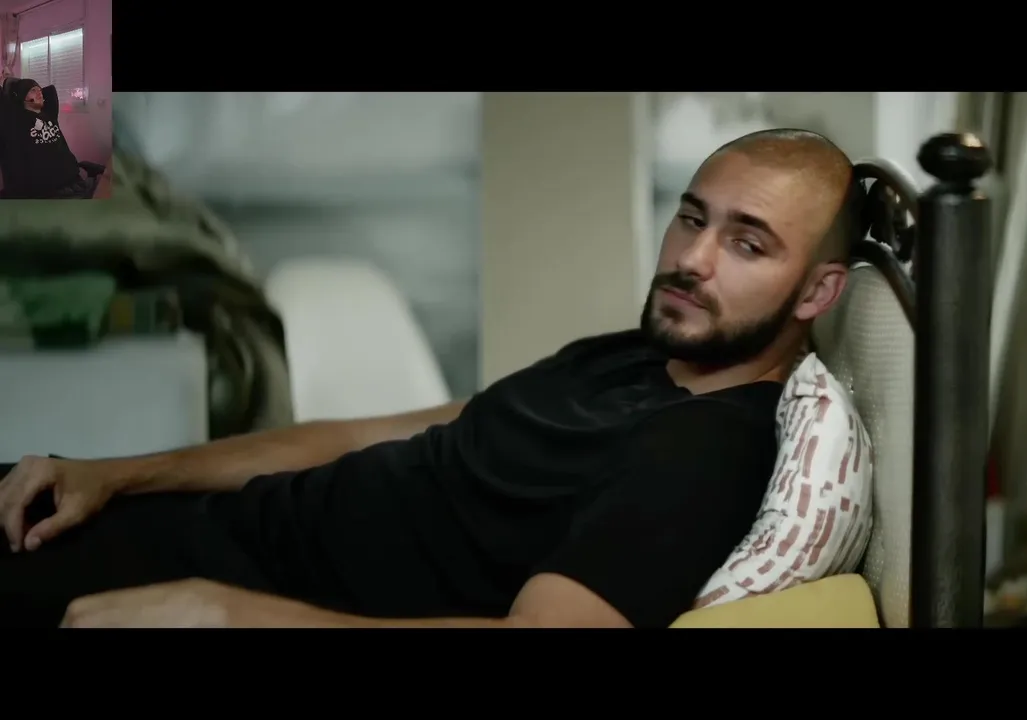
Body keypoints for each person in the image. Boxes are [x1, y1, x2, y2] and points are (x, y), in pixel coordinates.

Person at [0, 128, 863, 629]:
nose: (692, 260)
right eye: (691, 219)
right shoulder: (642, 352)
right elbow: (368, 434)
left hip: (226, 596)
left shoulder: (704, 453)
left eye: (747, 243)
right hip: (197, 529)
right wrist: (118, 474)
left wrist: (224, 613)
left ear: (818, 292)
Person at [0, 76, 90, 198]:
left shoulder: (49, 115)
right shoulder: (17, 120)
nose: (39, 93)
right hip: (50, 190)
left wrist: (34, 92)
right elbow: (5, 105)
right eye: (33, 90)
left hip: (73, 180)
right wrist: (10, 84)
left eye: (40, 90)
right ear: (22, 97)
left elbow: (50, 91)